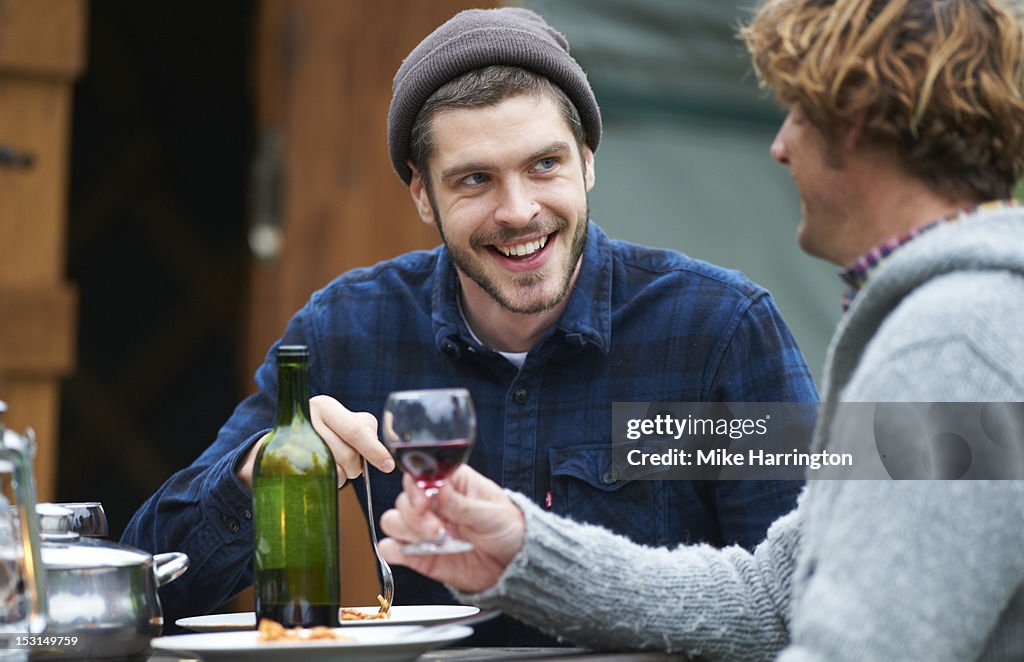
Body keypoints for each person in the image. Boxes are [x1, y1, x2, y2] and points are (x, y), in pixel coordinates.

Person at [121, 6, 817, 645]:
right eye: (475, 179)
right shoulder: (347, 330)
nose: (518, 211)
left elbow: (810, 602)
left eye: (545, 165)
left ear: (589, 163)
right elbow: (150, 590)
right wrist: (258, 473)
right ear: (423, 194)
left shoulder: (718, 330)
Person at [378, 0, 1024, 659]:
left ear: (853, 126)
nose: (779, 145)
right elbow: (781, 594)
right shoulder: (961, 323)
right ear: (421, 191)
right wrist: (527, 553)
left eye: (796, 113)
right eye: (475, 179)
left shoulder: (950, 346)